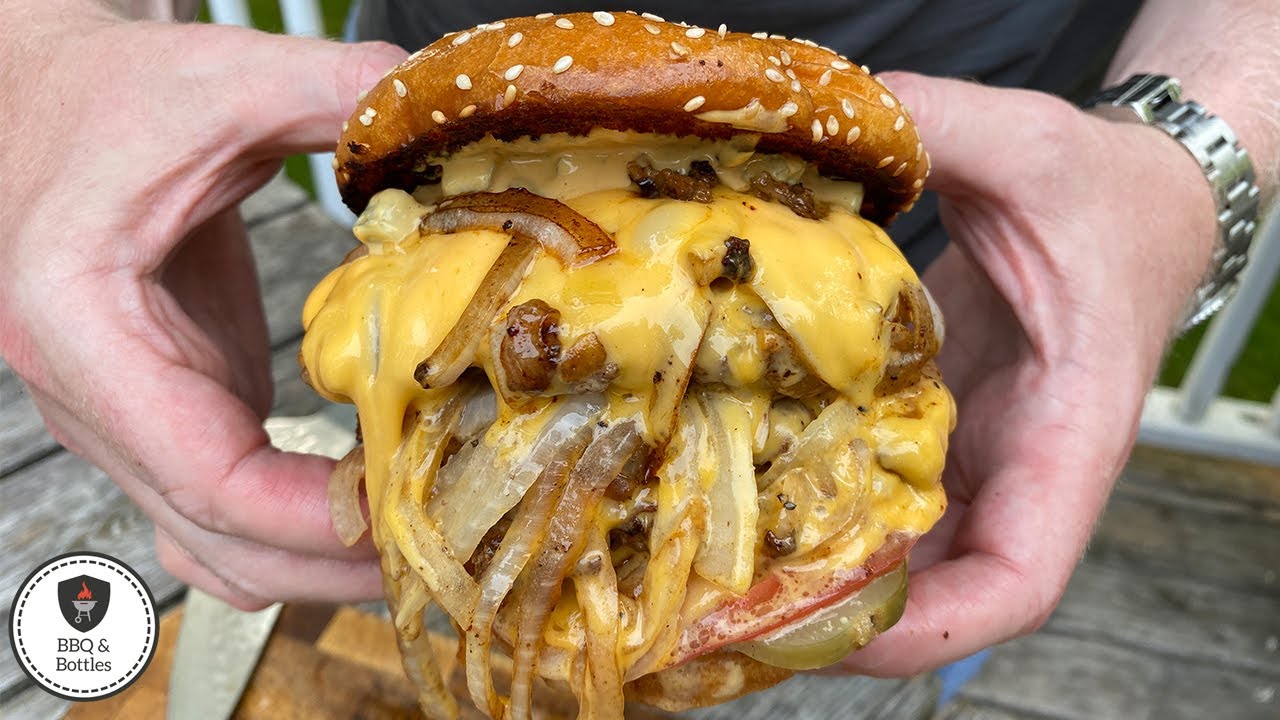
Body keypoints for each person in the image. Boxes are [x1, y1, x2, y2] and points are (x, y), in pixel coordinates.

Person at [0, 0, 1275, 683]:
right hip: (449, 176)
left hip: (973, 262)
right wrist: (36, 51)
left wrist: (1185, 158)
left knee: (897, 656)